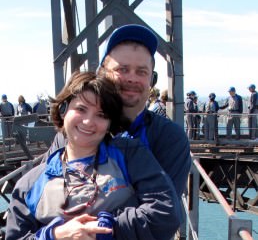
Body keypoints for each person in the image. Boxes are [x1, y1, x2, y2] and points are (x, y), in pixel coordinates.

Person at [44, 24, 191, 236]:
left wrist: (86, 229)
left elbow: (161, 220)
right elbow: (46, 198)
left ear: (152, 80)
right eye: (122, 69)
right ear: (102, 74)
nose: (131, 78)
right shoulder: (72, 133)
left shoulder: (170, 138)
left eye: (141, 71)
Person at [6, 71, 179, 240]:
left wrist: (106, 229)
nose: (88, 121)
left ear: (110, 123)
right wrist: (54, 234)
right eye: (81, 109)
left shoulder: (130, 156)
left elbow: (166, 213)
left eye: (101, 115)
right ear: (63, 109)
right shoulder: (29, 186)